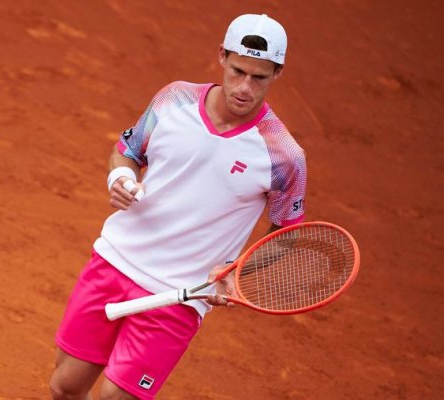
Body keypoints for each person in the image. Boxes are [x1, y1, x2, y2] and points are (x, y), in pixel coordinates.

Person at [49, 13, 306, 400]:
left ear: (277, 73)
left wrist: (237, 269)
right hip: (114, 261)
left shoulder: (283, 155)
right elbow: (127, 153)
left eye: (260, 77)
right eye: (238, 71)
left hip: (180, 295)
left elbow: (285, 232)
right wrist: (119, 180)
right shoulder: (174, 99)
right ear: (222, 56)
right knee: (65, 388)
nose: (245, 88)